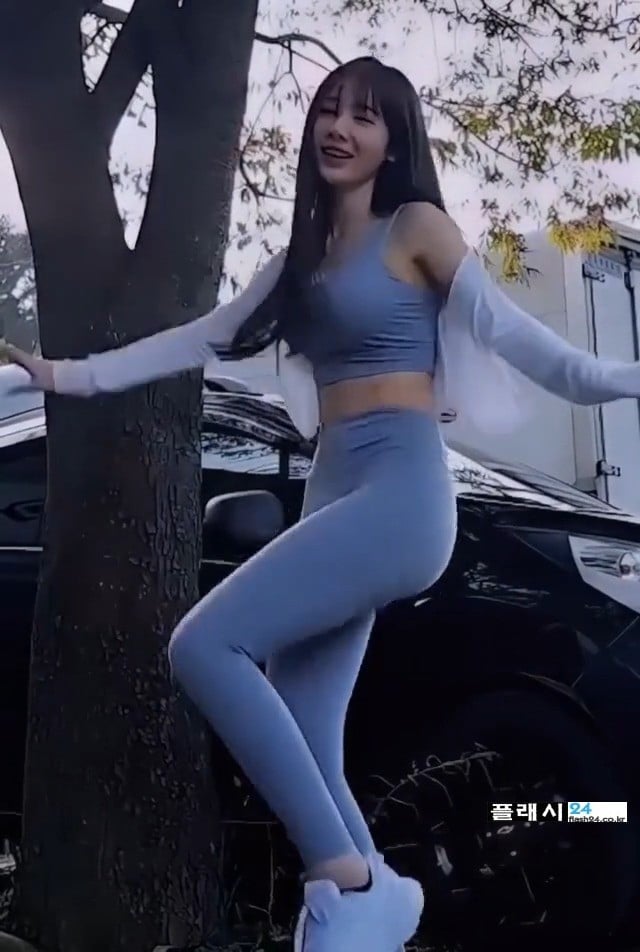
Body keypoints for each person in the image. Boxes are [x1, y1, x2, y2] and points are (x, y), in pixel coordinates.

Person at [7, 56, 640, 952]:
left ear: (394, 141)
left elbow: (545, 355)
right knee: (304, 722)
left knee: (204, 644)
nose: (340, 128)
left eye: (365, 116)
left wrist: (625, 378)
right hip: (334, 485)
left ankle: (345, 880)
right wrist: (66, 376)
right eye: (330, 111)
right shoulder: (299, 260)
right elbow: (202, 338)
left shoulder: (416, 228)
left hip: (403, 498)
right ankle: (379, 894)